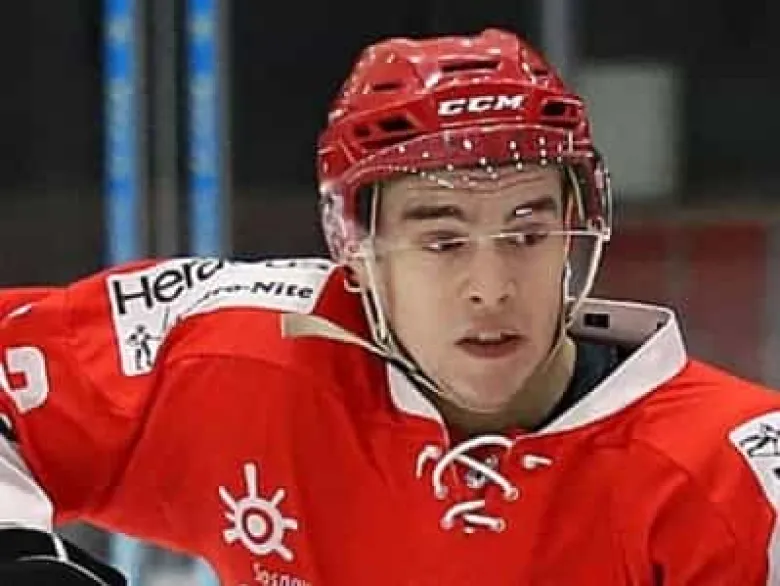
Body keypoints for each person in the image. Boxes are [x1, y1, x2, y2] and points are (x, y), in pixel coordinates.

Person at [0, 27, 778, 586]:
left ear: (577, 227)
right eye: (442, 241)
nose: (491, 287)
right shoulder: (240, 354)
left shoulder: (732, 473)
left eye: (527, 233)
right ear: (358, 249)